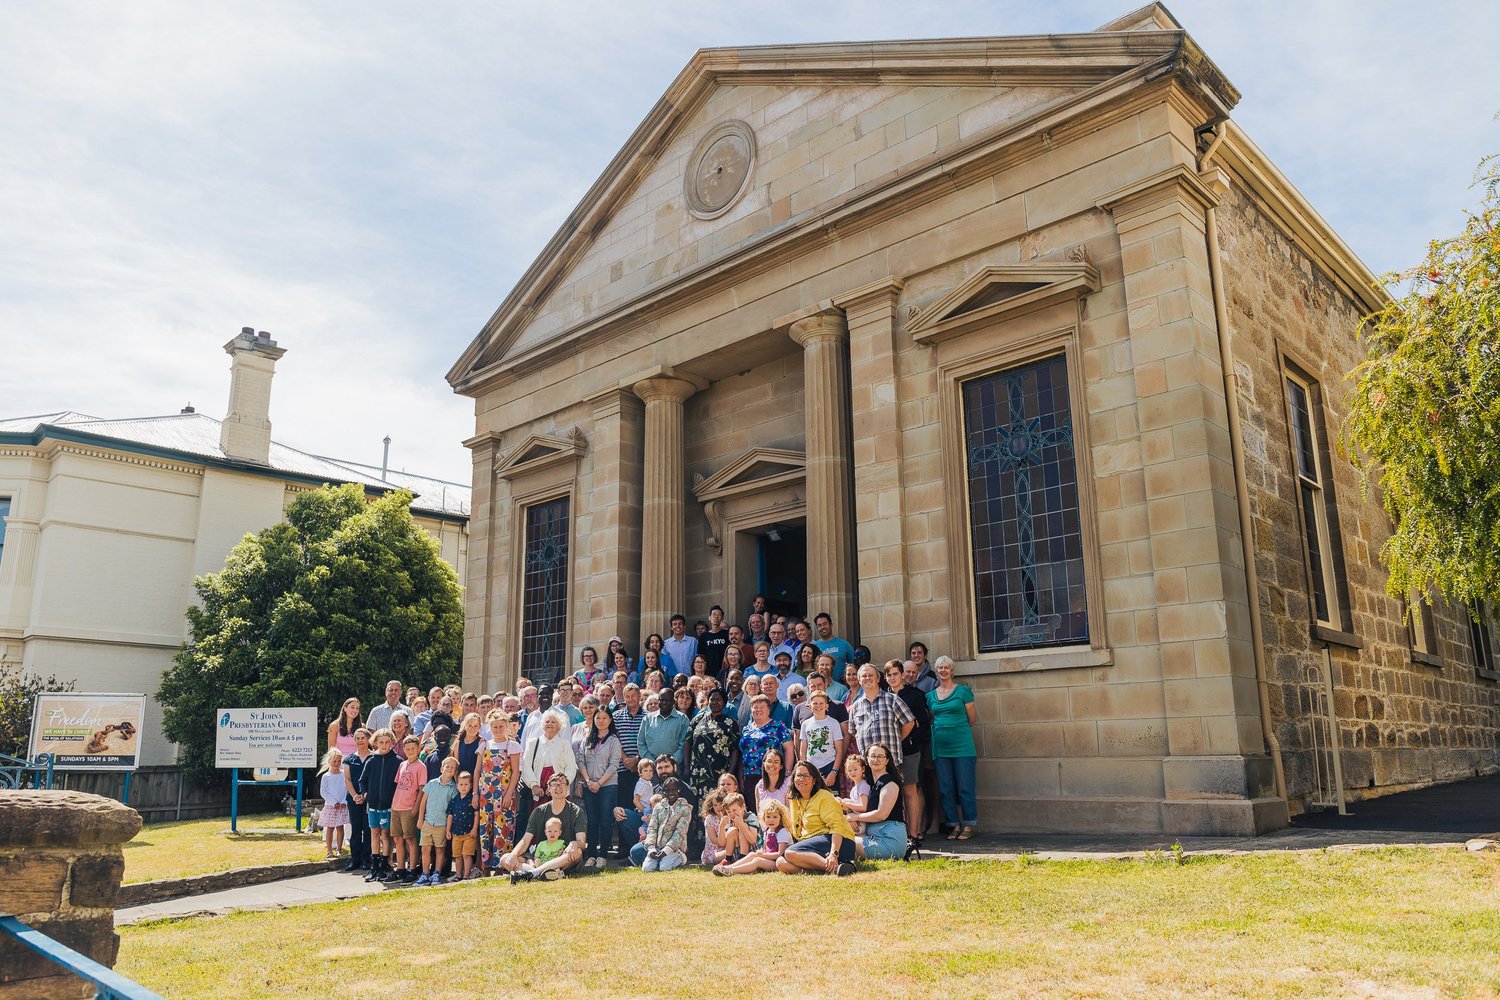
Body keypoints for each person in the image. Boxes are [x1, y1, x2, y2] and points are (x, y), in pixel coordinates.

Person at [927, 655, 979, 840]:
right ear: (936, 671)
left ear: (952, 670)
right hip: (940, 748)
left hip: (963, 746)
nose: (943, 670)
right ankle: (953, 824)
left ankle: (968, 824)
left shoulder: (964, 692)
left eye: (946, 667)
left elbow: (972, 719)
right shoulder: (930, 696)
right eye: (940, 667)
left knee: (965, 786)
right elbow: (931, 719)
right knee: (945, 788)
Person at [778, 761, 858, 876]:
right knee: (781, 863)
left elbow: (837, 827)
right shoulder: (794, 799)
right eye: (799, 775)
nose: (802, 779)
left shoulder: (824, 796)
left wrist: (833, 854)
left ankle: (834, 867)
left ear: (814, 780)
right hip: (814, 843)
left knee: (790, 853)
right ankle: (834, 869)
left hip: (839, 842)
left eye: (806, 776)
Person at [883, 658, 932, 846]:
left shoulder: (914, 696)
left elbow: (922, 725)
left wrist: (907, 738)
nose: (892, 678)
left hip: (909, 750)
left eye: (895, 674)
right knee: (894, 792)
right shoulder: (884, 696)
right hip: (888, 753)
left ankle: (914, 833)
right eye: (889, 675)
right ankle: (900, 833)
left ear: (902, 674)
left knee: (910, 790)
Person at [504, 772, 585, 882]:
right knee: (505, 858)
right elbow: (526, 839)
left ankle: (532, 873)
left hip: (563, 857)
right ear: (549, 788)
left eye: (562, 785)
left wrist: (574, 843)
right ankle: (544, 873)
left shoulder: (576, 811)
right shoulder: (538, 811)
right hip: (540, 857)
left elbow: (582, 842)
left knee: (578, 852)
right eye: (555, 785)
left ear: (567, 788)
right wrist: (513, 855)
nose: (558, 788)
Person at [849, 664, 916, 775]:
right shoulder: (855, 706)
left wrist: (898, 739)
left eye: (871, 675)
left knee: (892, 791)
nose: (867, 678)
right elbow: (853, 732)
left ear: (878, 679)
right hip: (868, 764)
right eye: (864, 676)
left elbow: (909, 722)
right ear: (859, 680)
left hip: (891, 761)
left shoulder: (892, 699)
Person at [476, 710, 521, 875]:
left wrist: (509, 794)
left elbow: (515, 771)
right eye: (494, 726)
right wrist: (476, 793)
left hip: (503, 793)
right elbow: (477, 771)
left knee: (503, 828)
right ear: (490, 727)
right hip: (486, 794)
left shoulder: (512, 745)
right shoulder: (485, 745)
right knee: (485, 827)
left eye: (501, 726)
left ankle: (501, 865)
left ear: (506, 726)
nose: (498, 729)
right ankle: (486, 865)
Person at [576, 706, 622, 869]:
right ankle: (591, 855)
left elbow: (614, 764)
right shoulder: (588, 739)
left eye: (604, 718)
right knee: (592, 822)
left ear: (610, 720)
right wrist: (588, 780)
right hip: (589, 785)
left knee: (605, 821)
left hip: (607, 786)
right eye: (598, 718)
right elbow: (580, 760)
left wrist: (599, 783)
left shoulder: (614, 740)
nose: (600, 721)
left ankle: (602, 855)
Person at [849, 743, 908, 860]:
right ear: (867, 759)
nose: (876, 759)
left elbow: (882, 814)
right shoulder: (872, 784)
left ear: (887, 761)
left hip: (889, 840)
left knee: (844, 841)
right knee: (841, 836)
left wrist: (855, 817)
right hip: (873, 836)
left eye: (880, 756)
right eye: (873, 756)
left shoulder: (890, 783)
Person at [358, 728, 399, 882]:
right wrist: (366, 794)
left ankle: (384, 866)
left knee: (385, 835)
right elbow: (362, 781)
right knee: (374, 834)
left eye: (387, 742)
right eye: (380, 742)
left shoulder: (397, 761)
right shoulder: (371, 760)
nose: (384, 745)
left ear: (391, 742)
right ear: (375, 743)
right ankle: (374, 867)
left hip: (388, 806)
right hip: (373, 805)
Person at [684, 687, 741, 796]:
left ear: (724, 702)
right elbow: (687, 742)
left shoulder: (730, 723)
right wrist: (687, 767)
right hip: (697, 771)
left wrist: (730, 772)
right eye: (712, 699)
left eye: (718, 700)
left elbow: (735, 750)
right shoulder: (697, 720)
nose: (715, 702)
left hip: (719, 772)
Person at [738, 695, 793, 804]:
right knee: (755, 809)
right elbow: (742, 753)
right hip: (749, 776)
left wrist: (787, 773)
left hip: (773, 775)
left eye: (762, 707)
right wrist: (741, 776)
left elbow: (789, 749)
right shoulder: (747, 729)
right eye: (755, 707)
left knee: (772, 808)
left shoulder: (778, 726)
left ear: (768, 709)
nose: (758, 710)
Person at [714, 798, 791, 876]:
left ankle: (732, 870)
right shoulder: (767, 830)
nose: (771, 820)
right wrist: (761, 851)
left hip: (778, 862)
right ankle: (728, 867)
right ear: (764, 817)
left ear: (781, 817)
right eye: (768, 817)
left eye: (775, 817)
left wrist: (763, 855)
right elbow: (765, 848)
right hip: (769, 859)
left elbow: (780, 854)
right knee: (752, 854)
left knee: (757, 860)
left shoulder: (782, 831)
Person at [387, 734, 427, 883]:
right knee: (397, 838)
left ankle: (412, 868)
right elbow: (399, 785)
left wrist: (416, 808)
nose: (410, 751)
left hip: (409, 807)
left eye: (413, 748)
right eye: (407, 748)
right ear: (403, 749)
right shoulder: (402, 764)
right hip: (396, 806)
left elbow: (422, 789)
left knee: (410, 838)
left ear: (418, 749)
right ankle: (401, 868)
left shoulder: (421, 766)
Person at [521, 710, 577, 816]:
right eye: (547, 721)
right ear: (542, 725)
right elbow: (526, 766)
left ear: (559, 726)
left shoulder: (564, 744)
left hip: (559, 789)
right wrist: (534, 786)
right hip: (539, 788)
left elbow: (571, 768)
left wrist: (560, 784)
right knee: (540, 821)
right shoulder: (533, 743)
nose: (550, 724)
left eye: (553, 722)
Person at [415, 756, 460, 885]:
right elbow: (423, 803)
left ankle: (437, 873)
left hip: (442, 824)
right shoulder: (431, 783)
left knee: (440, 850)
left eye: (453, 768)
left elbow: (452, 809)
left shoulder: (453, 789)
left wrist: (448, 828)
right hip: (428, 822)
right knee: (425, 849)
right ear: (441, 768)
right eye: (447, 766)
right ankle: (425, 873)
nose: (449, 769)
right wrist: (420, 819)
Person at [640, 777, 693, 872]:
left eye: (673, 790)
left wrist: (666, 850)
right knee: (647, 869)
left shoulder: (685, 808)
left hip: (674, 848)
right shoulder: (658, 807)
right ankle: (659, 859)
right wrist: (651, 848)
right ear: (663, 791)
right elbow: (652, 828)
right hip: (657, 846)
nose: (670, 793)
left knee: (664, 868)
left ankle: (681, 858)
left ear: (679, 790)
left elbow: (680, 832)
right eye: (667, 790)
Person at [637, 683, 690, 768]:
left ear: (673, 701)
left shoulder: (683, 719)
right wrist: (652, 762)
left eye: (667, 700)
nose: (664, 703)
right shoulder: (647, 719)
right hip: (651, 768)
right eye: (661, 700)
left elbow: (683, 744)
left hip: (674, 767)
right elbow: (641, 742)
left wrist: (671, 763)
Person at [797, 690, 845, 783]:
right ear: (810, 706)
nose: (818, 706)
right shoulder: (805, 724)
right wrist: (804, 769)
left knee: (831, 796)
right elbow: (803, 751)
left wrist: (834, 772)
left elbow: (839, 750)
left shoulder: (834, 723)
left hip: (829, 765)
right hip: (811, 767)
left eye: (821, 703)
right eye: (815, 703)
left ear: (826, 706)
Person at [342, 727, 372, 872]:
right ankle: (355, 859)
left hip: (369, 798)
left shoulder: (374, 757)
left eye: (363, 738)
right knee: (355, 828)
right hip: (353, 798)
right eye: (357, 738)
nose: (360, 741)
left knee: (368, 829)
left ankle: (367, 859)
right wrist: (355, 796)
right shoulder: (349, 759)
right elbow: (347, 780)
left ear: (368, 739)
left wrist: (365, 795)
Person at [318, 748, 349, 859]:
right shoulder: (326, 776)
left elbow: (347, 789)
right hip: (331, 806)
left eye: (338, 761)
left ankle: (339, 849)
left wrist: (344, 801)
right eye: (334, 761)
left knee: (340, 828)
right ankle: (329, 850)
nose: (336, 764)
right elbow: (323, 792)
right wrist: (333, 802)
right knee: (330, 828)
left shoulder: (343, 774)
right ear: (329, 761)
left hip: (342, 806)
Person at [838, 752, 871, 833]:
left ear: (863, 769)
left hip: (862, 822)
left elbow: (863, 807)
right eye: (849, 770)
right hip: (856, 818)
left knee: (838, 827)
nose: (852, 772)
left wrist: (847, 804)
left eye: (855, 769)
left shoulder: (863, 786)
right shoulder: (854, 788)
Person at [661, 614, 698, 679]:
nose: (677, 626)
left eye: (680, 624)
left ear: (684, 626)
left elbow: (698, 659)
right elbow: (665, 663)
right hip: (672, 679)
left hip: (690, 678)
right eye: (675, 624)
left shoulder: (693, 641)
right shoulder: (666, 644)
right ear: (671, 627)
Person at [754, 746, 790, 810]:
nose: (772, 765)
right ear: (764, 764)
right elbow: (759, 814)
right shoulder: (759, 786)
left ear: (781, 766)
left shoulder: (787, 785)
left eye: (776, 762)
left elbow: (789, 813)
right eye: (769, 761)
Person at [700, 605, 730, 676]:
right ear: (709, 618)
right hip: (708, 672)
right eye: (714, 614)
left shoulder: (727, 634)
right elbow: (701, 655)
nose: (716, 617)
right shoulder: (703, 636)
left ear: (722, 618)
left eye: (719, 615)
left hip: (725, 671)